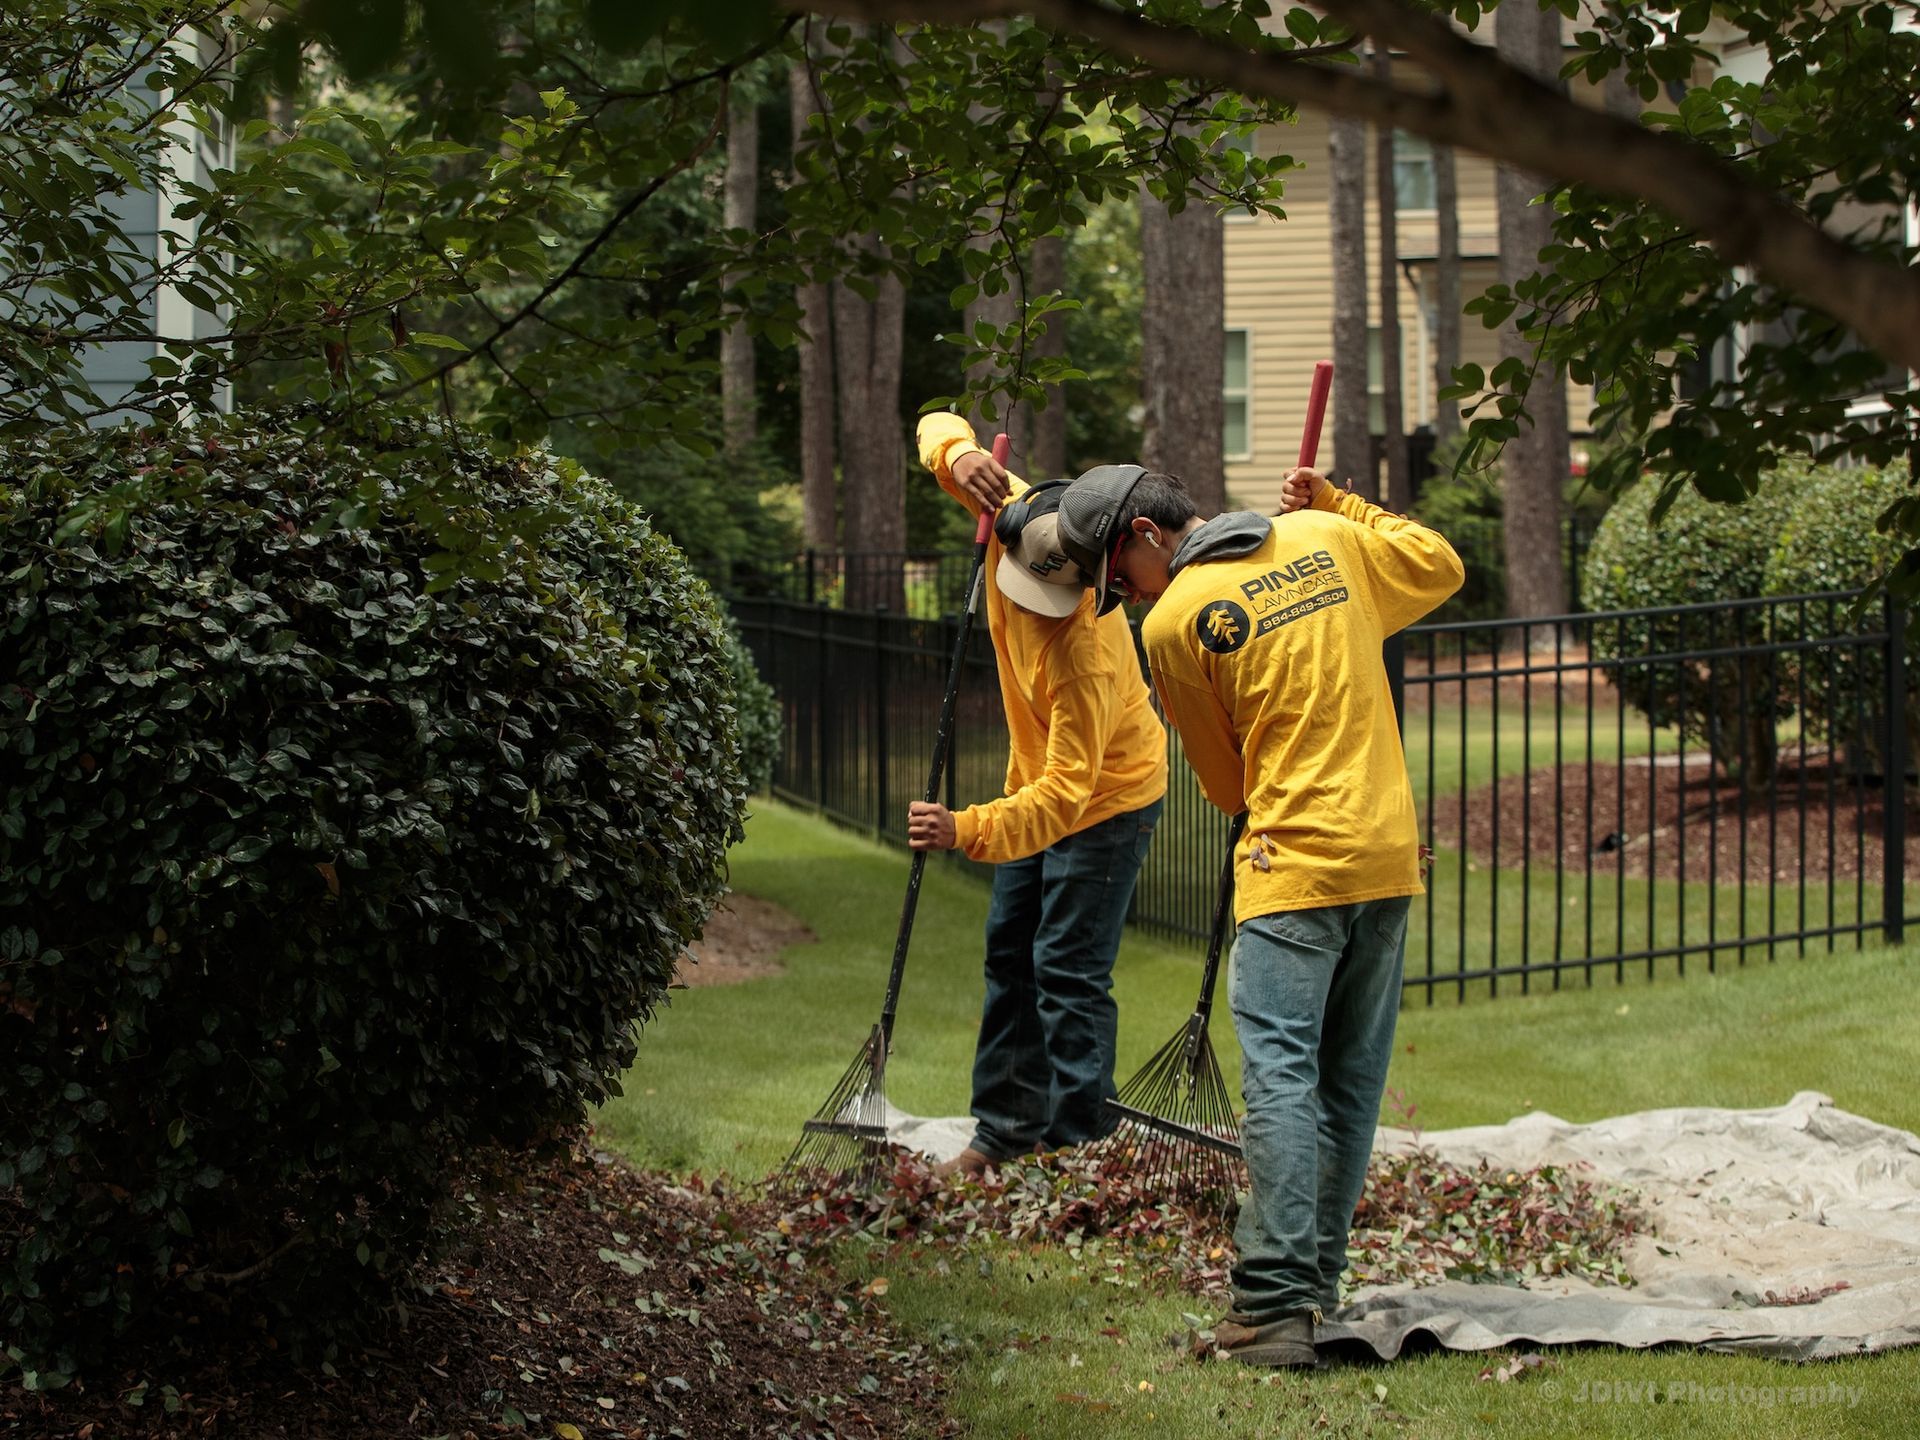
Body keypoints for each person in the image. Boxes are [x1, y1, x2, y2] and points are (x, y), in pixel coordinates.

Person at [1054, 460, 1463, 1368]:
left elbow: (1228, 782)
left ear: (1148, 538)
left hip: (1290, 868)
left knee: (1282, 1077)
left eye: (1115, 575)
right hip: (1387, 858)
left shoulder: (1172, 624)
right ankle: (1311, 1286)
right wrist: (1337, 504)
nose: (1119, 594)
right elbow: (1438, 565)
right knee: (1349, 1082)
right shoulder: (1329, 543)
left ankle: (1273, 1305)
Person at [909, 413, 1168, 1179]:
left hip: (1107, 799)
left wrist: (965, 828)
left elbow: (1064, 798)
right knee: (1008, 953)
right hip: (1035, 783)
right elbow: (934, 424)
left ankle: (1083, 1151)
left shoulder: (1082, 648)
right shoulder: (1023, 514)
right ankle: (1004, 1132)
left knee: (1066, 967)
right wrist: (959, 457)